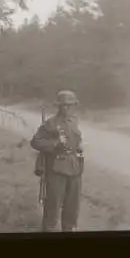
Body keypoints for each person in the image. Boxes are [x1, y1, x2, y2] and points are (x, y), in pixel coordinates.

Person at [30, 90, 84, 232]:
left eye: (70, 105)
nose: (67, 108)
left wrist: (79, 146)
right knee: (52, 208)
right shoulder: (50, 123)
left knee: (72, 208)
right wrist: (54, 144)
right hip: (56, 169)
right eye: (64, 105)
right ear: (59, 106)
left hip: (74, 168)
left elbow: (76, 139)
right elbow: (35, 142)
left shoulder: (74, 121)